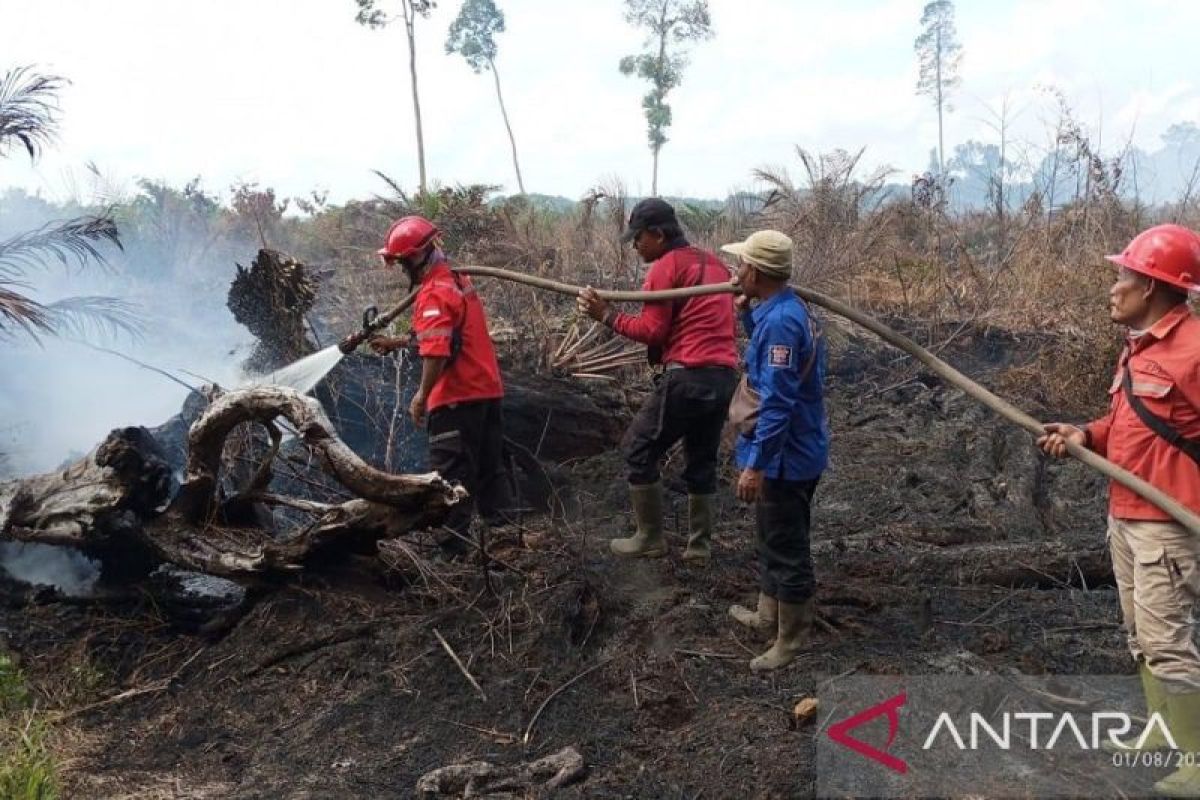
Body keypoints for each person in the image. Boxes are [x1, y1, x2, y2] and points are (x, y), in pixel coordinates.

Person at [1038, 223, 1200, 797]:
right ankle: (1161, 733)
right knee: (1139, 634)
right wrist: (1086, 432)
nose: (1113, 286)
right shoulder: (1139, 346)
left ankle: (1197, 759)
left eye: (1123, 275)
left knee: (1165, 640)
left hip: (1169, 524)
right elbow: (1132, 423)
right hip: (1126, 514)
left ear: (1153, 286)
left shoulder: (1195, 351)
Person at [576, 198, 738, 564]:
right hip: (723, 377)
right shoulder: (713, 263)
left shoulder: (666, 268)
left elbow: (651, 331)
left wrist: (606, 315)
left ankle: (649, 537)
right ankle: (700, 546)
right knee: (702, 457)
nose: (635, 246)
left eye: (638, 238)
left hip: (689, 375)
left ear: (659, 235)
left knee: (637, 448)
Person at [368, 215, 512, 558]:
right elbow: (447, 335)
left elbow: (437, 350)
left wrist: (421, 396)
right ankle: (506, 541)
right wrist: (397, 342)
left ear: (415, 258)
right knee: (491, 470)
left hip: (456, 398)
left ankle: (454, 556)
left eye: (402, 263)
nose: (403, 270)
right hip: (486, 392)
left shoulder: (434, 291)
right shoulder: (455, 280)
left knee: (451, 479)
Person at [721, 230, 829, 672]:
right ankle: (769, 617)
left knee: (787, 544)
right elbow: (768, 363)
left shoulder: (784, 321)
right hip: (786, 452)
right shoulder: (777, 312)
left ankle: (791, 638)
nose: (735, 271)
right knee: (770, 535)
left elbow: (778, 403)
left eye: (741, 264)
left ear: (756, 271)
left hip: (788, 457)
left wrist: (756, 465)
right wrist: (747, 314)